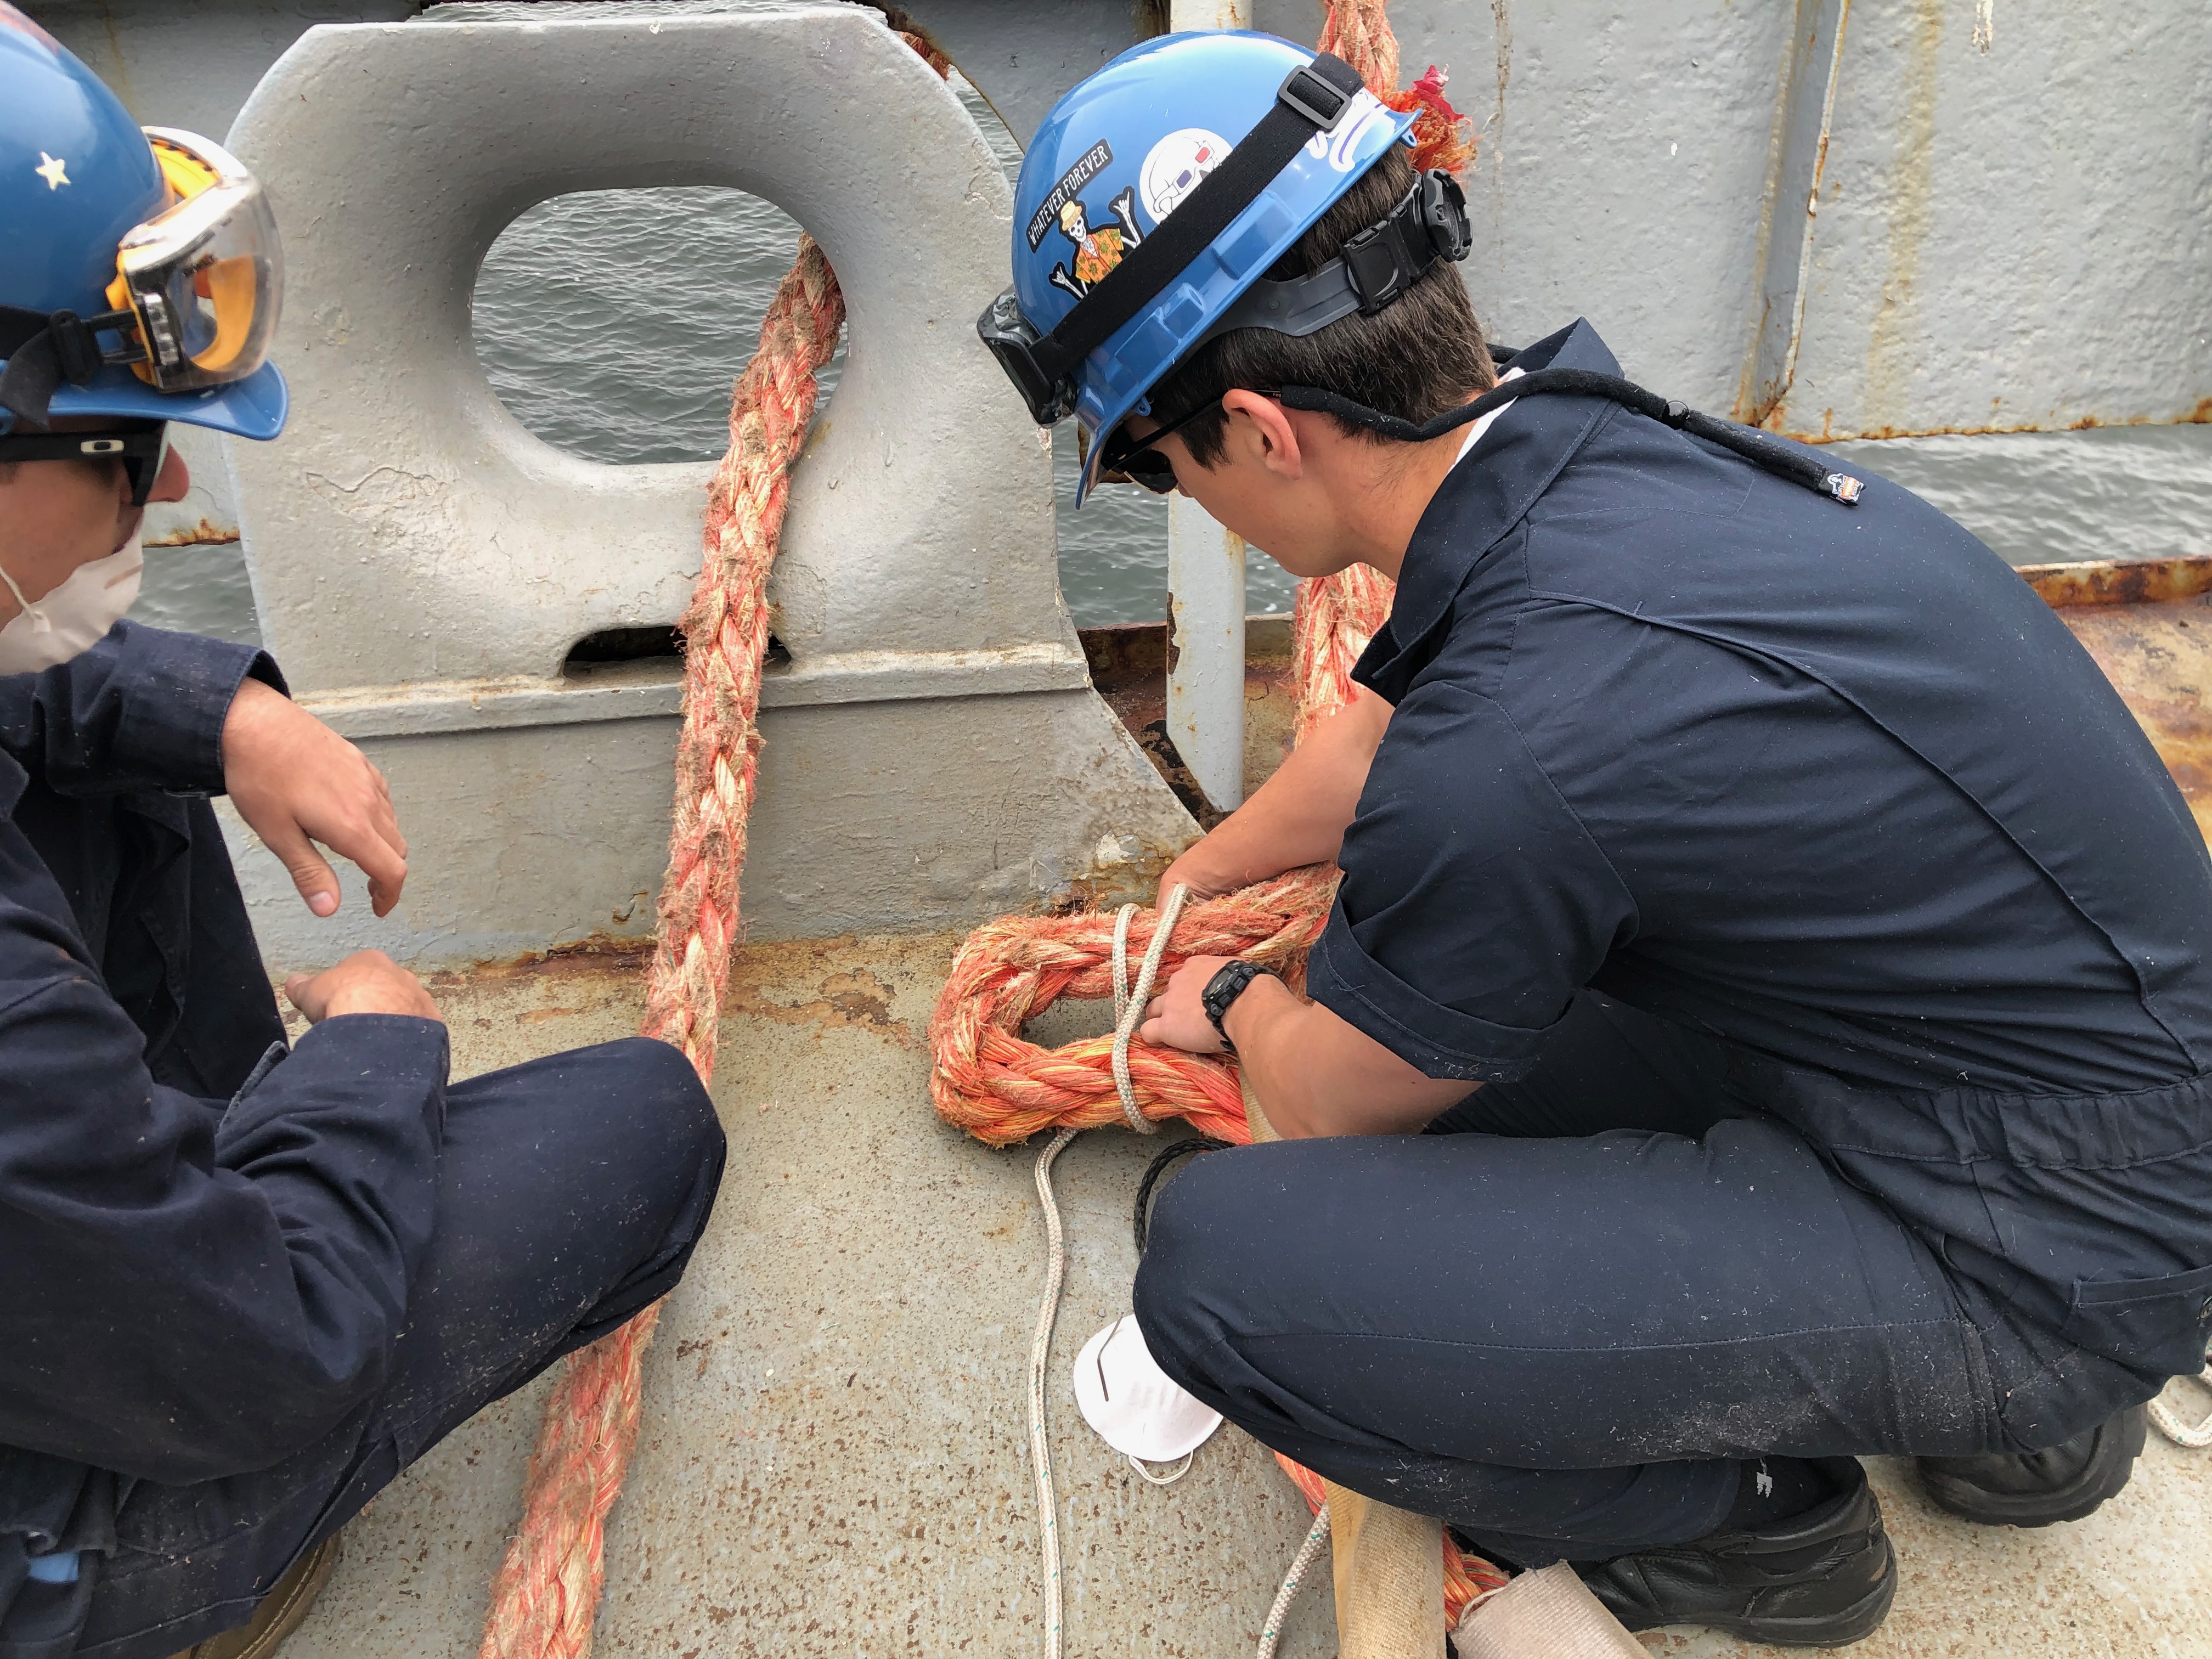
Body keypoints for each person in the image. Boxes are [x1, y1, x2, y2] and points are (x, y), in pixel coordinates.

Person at [979, 30, 2212, 1646]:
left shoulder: (1513, 748)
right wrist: (1202, 879)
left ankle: (1763, 1527)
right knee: (1507, 1014)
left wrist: (1221, 1001)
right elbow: (1395, 730)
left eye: (1152, 467)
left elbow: (1334, 1098)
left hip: (2052, 1237)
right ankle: (2040, 1429)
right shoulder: (1596, 439)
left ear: (1264, 434)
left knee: (1230, 1266)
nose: (1176, 494)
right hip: (2086, 1092)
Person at [0, 14, 726, 1658]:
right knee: (645, 1121)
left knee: (122, 756)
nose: (168, 480)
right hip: (53, 1535)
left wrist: (222, 714)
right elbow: (284, 1342)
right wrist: (375, 1060)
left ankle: (195, 1171)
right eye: (116, 449)